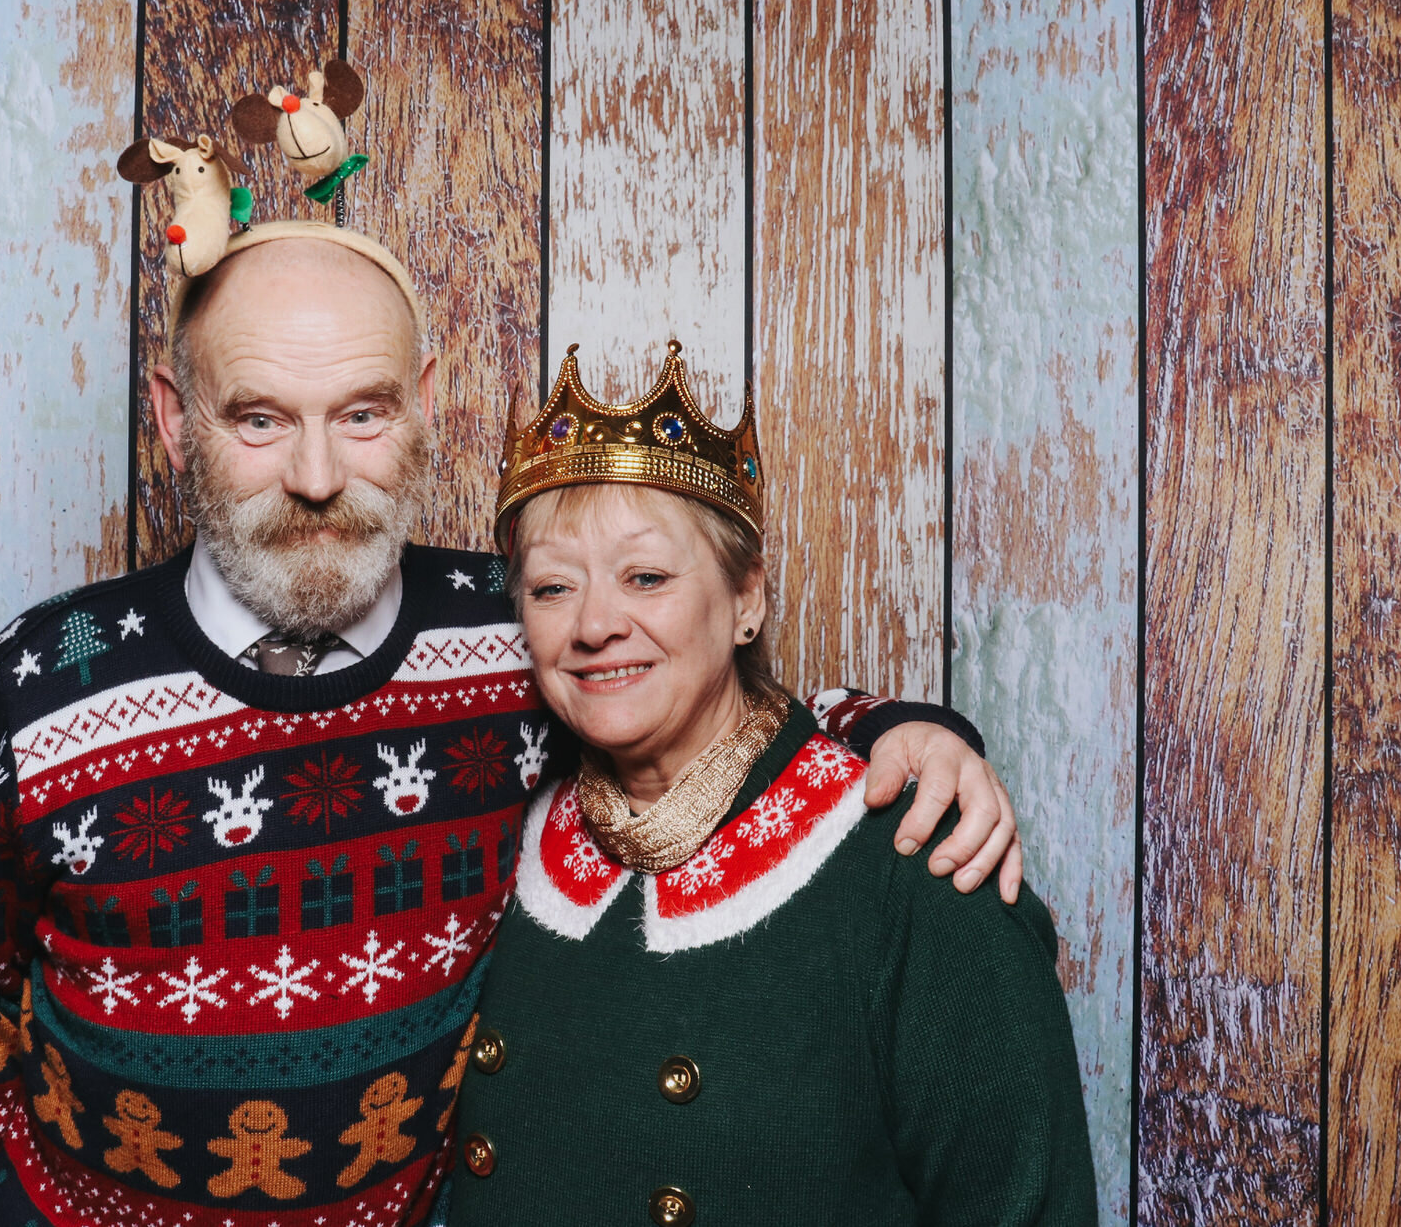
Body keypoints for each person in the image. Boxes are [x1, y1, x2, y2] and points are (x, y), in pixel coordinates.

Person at [0, 222, 1021, 1225]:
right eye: (260, 417)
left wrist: (897, 728)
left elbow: (697, 695)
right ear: (177, 422)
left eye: (362, 412)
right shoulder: (41, 683)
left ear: (425, 405)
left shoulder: (513, 630)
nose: (318, 474)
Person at [442, 342, 1096, 1226]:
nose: (595, 623)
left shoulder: (915, 857)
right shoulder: (511, 837)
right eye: (553, 586)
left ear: (746, 596)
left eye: (647, 576)